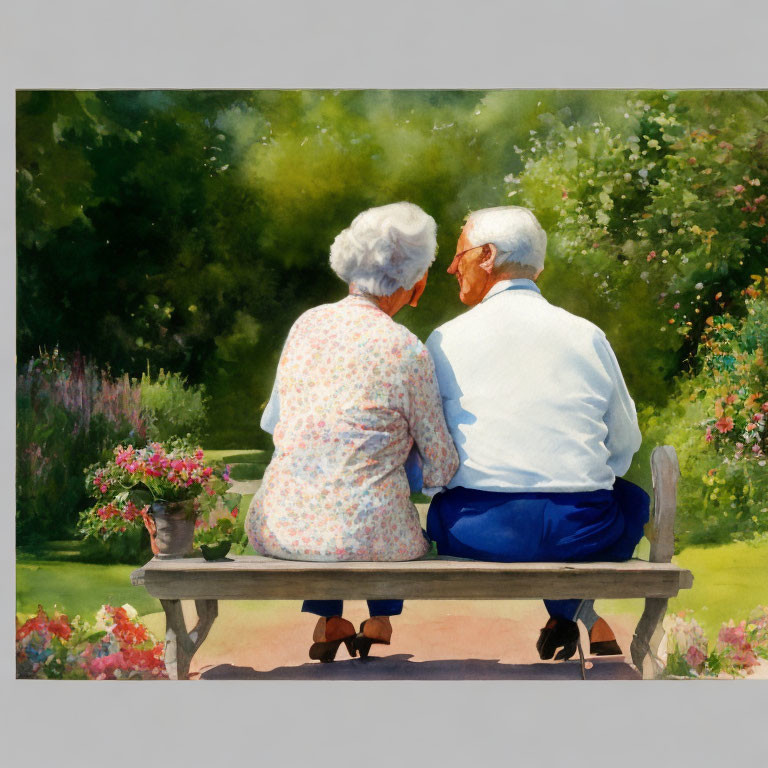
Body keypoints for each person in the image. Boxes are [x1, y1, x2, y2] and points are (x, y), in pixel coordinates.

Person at [423, 205, 650, 662]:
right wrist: (571, 477)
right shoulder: (587, 335)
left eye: (459, 254)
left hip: (479, 530)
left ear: (487, 257)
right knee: (631, 500)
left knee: (446, 506)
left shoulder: (444, 340)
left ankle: (571, 615)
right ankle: (572, 614)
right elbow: (624, 442)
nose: (451, 267)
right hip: (581, 529)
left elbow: (435, 453)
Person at [246, 202, 459, 663]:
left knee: (344, 467)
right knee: (381, 496)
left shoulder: (306, 325)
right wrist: (408, 462)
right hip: (372, 537)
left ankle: (330, 619)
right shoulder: (408, 350)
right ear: (417, 284)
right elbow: (442, 463)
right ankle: (379, 619)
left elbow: (274, 424)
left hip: (279, 528)